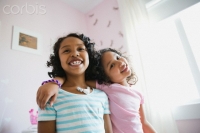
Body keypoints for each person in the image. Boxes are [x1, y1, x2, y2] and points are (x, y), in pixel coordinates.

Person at [37, 48, 157, 133]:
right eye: (112, 65)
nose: (120, 62)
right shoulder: (107, 87)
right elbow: (76, 80)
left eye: (118, 57)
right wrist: (55, 82)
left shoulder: (138, 94)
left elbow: (144, 122)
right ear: (104, 77)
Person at [37, 33, 113, 133]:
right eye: (66, 50)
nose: (75, 54)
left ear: (89, 56)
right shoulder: (50, 96)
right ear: (58, 60)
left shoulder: (102, 96)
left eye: (80, 49)